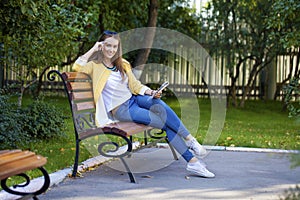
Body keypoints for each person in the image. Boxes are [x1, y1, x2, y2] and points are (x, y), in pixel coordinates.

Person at [72, 30, 215, 178]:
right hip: (122, 109)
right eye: (108, 45)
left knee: (158, 103)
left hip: (134, 99)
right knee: (164, 123)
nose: (111, 50)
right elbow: (76, 67)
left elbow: (135, 86)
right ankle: (192, 160)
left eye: (115, 47)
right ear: (102, 45)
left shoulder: (123, 64)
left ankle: (190, 141)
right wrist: (94, 48)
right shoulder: (94, 66)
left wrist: (151, 92)